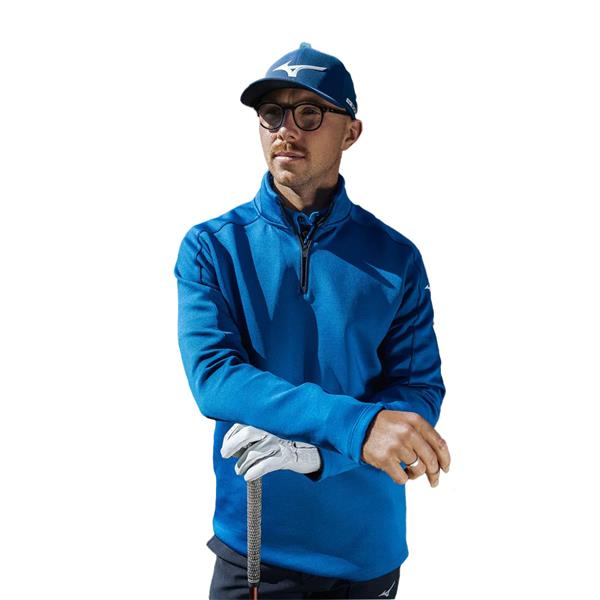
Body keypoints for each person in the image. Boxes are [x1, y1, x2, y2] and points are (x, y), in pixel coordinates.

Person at [174, 42, 451, 600]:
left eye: (309, 113)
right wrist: (357, 427)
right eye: (272, 114)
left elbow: (418, 392)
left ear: (351, 132)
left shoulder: (396, 258)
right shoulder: (211, 247)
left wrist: (321, 454)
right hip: (256, 545)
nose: (285, 130)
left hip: (364, 552)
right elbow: (216, 379)